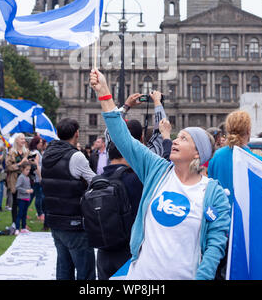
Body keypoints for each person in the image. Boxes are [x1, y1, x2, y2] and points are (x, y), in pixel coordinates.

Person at [89, 68, 231, 280]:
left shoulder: (214, 194)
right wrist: (105, 93)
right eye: (177, 137)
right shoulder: (157, 171)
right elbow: (123, 138)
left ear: (197, 153)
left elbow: (215, 245)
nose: (173, 140)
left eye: (183, 138)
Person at [41, 118, 96, 280]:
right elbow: (96, 181)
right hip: (74, 222)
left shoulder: (47, 154)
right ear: (77, 134)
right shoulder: (76, 156)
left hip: (54, 219)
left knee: (64, 269)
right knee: (85, 272)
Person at [97, 141, 143, 280]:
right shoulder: (134, 179)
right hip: (127, 251)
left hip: (103, 250)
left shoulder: (97, 180)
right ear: (126, 154)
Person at [208, 110, 262, 207]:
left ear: (228, 130)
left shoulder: (216, 156)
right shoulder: (259, 162)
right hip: (246, 218)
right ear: (248, 131)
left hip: (220, 216)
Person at [5, 133, 30, 231]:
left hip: (25, 180)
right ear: (16, 140)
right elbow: (8, 167)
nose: (23, 140)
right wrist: (20, 163)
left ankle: (23, 224)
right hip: (15, 179)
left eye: (24, 139)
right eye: (21, 139)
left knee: (24, 202)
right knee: (15, 202)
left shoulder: (26, 151)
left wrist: (29, 162)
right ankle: (15, 223)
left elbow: (29, 164)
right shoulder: (11, 152)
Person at [27, 136, 43, 221]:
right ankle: (40, 214)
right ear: (36, 143)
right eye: (40, 143)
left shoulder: (31, 152)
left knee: (32, 196)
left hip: (33, 178)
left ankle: (24, 211)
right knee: (38, 196)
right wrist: (40, 177)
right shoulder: (36, 153)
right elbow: (36, 166)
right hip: (36, 178)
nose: (41, 144)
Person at [15, 162, 34, 235]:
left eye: (29, 170)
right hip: (21, 199)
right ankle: (17, 228)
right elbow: (17, 187)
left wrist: (30, 190)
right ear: (22, 169)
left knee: (24, 214)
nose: (28, 171)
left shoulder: (27, 178)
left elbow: (27, 187)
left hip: (27, 198)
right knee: (20, 213)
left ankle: (23, 228)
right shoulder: (21, 177)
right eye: (26, 170)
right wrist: (26, 191)